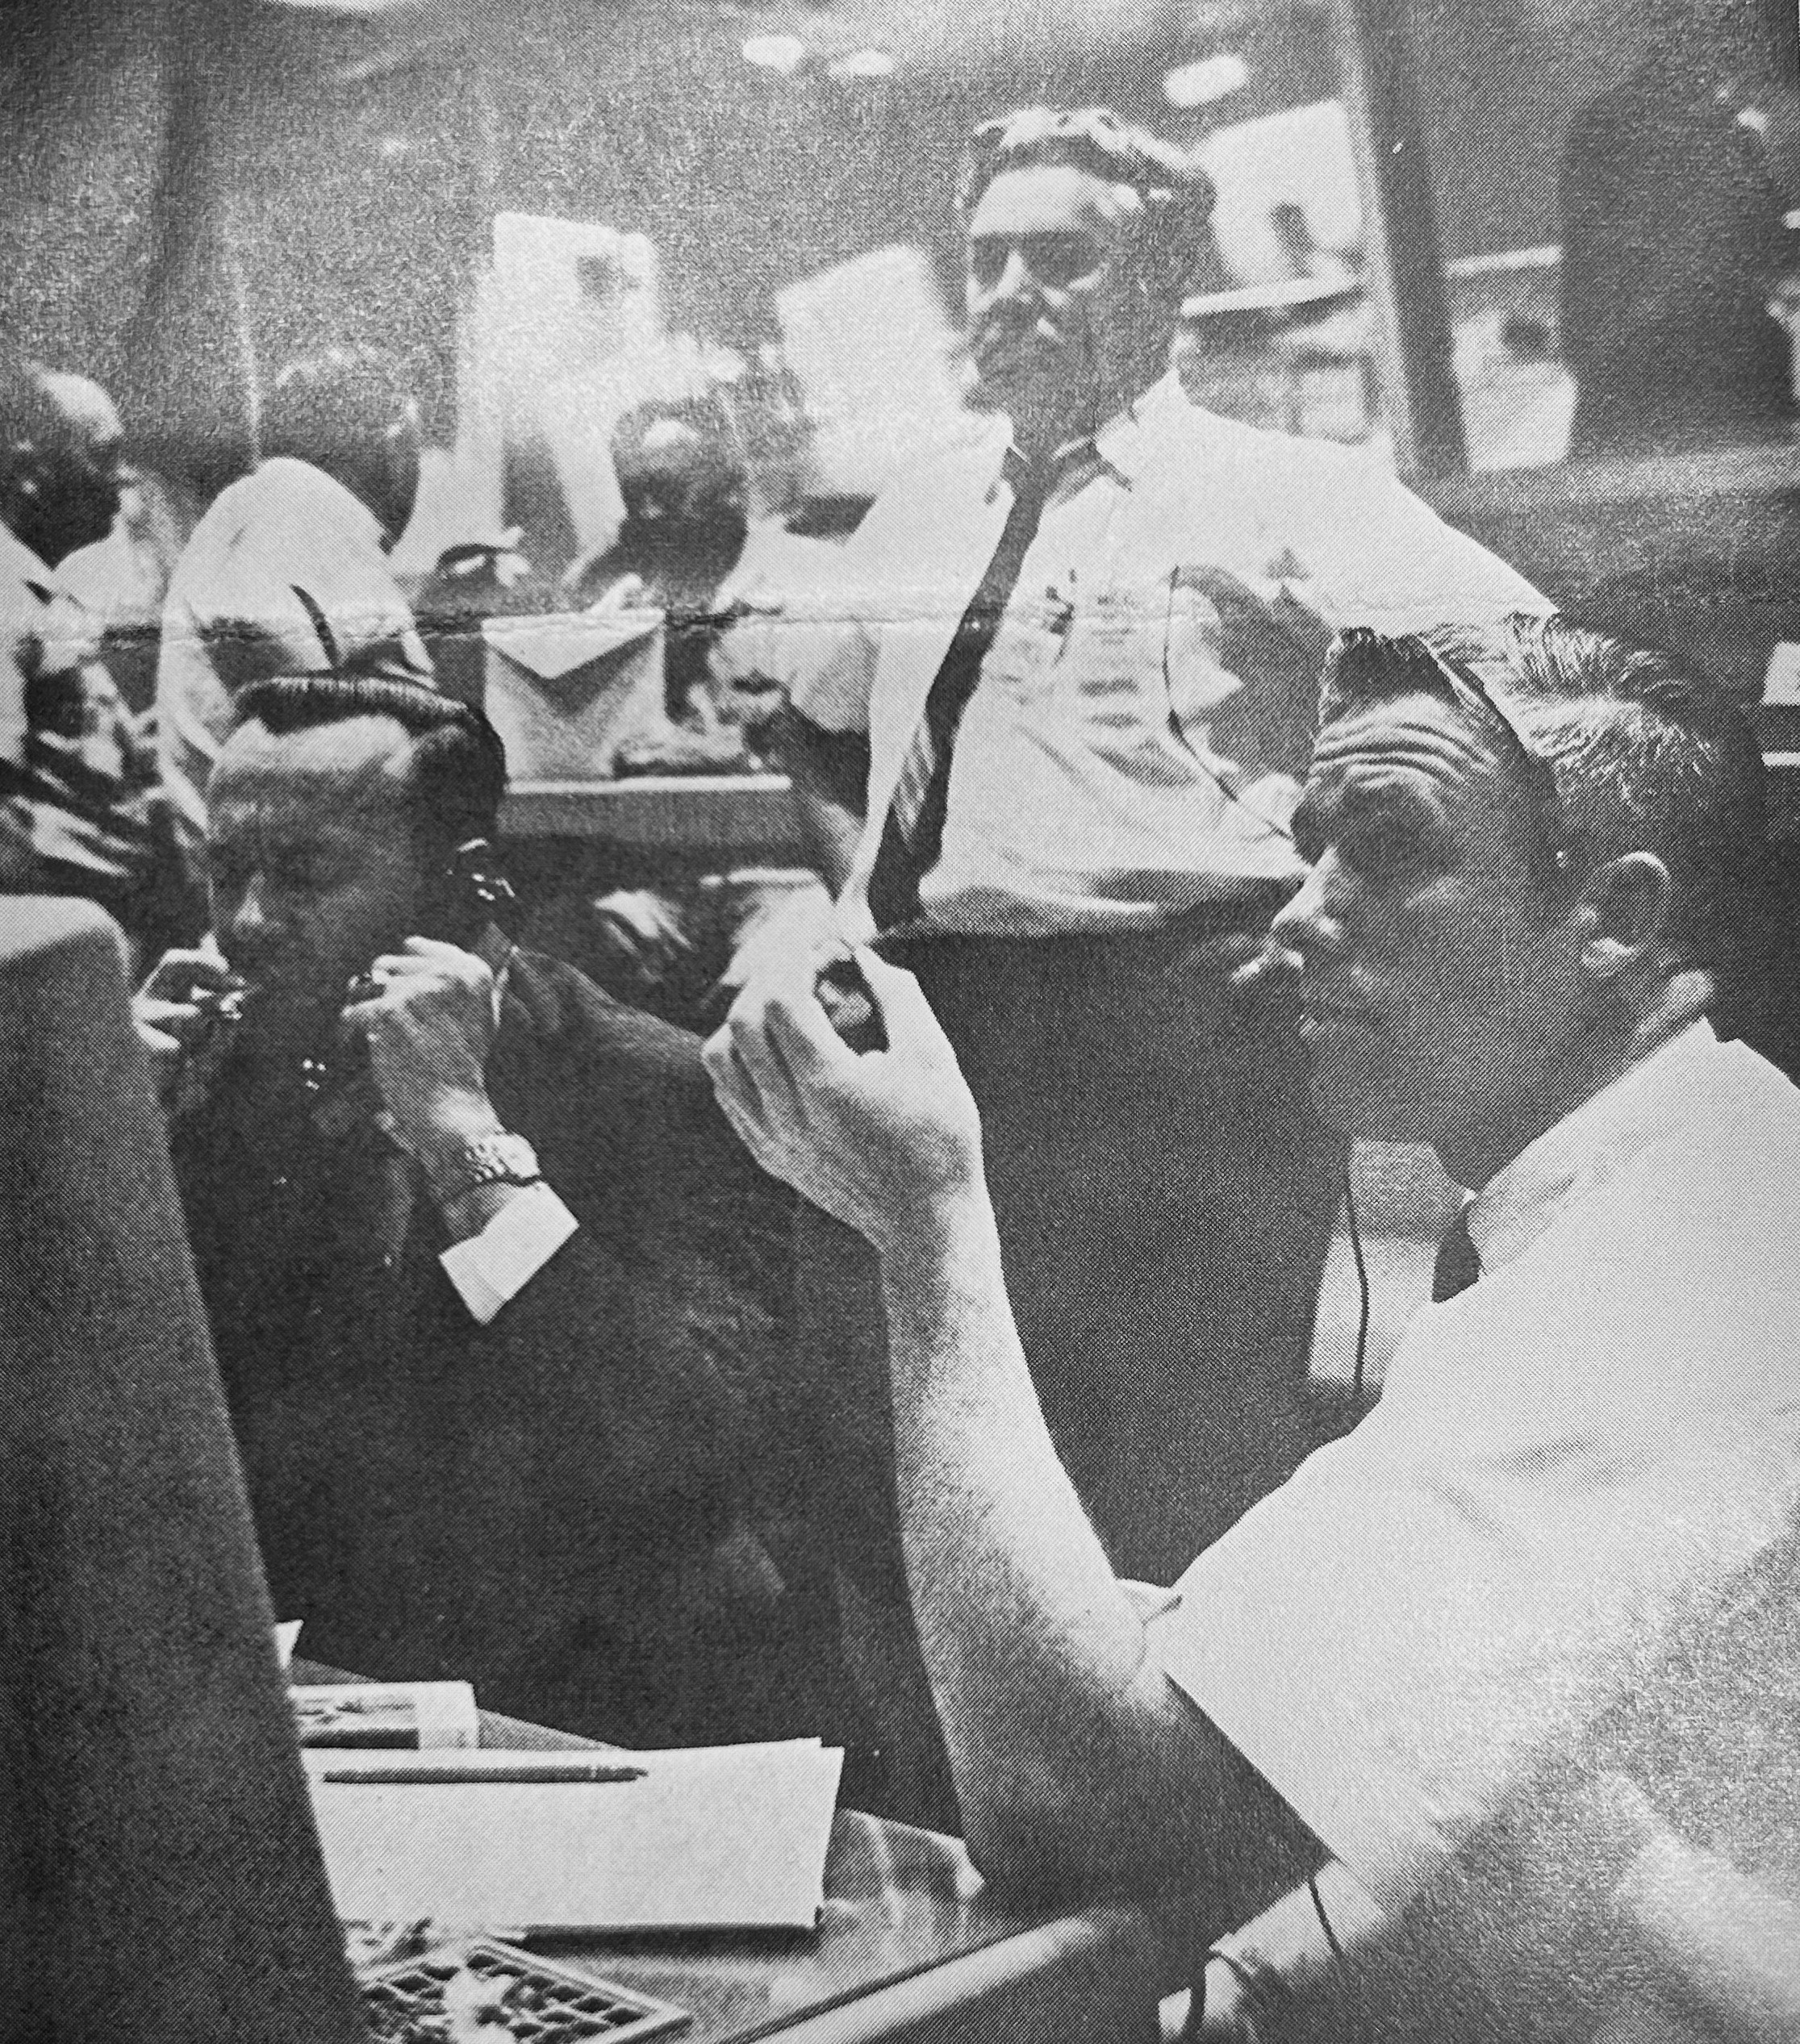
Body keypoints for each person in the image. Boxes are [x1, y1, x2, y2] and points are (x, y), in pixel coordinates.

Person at [712, 612, 1800, 2040]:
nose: (1298, 912)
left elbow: (1076, 1795)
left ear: (1614, 916)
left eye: (1394, 847)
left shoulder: (1687, 1248)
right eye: (1310, 844)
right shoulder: (1686, 1177)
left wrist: (926, 1230)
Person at [774, 105, 1546, 1587]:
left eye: (1059, 257)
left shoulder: (1292, 493)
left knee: (1169, 1474)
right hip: (929, 1020)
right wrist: (849, 895)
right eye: (985, 256)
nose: (1008, 292)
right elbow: (809, 726)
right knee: (905, 1459)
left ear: (1166, 279)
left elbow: (1547, 693)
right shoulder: (920, 505)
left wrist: (1346, 771)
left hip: (1175, 1038)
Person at [132, 675, 819, 1750]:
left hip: (598, 1718)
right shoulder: (211, 1085)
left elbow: (692, 1469)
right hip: (300, 1695)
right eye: (227, 873)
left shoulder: (660, 1086)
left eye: (305, 874)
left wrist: (466, 1141)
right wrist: (98, 1155)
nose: (249, 923)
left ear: (469, 889)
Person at [157, 344, 433, 855]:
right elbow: (265, 643)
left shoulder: (290, 507)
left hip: (298, 851)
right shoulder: (288, 503)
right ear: (394, 445)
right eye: (417, 448)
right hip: (284, 870)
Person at [0, 344, 186, 953]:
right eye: (104, 455)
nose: (123, 477)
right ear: (29, 468)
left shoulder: (31, 589)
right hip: (70, 939)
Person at [1559, 0, 1798, 461]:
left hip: (1628, 405)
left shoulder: (1606, 123)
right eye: (1726, 22)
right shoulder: (1709, 132)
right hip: (1692, 410)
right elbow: (1756, 251)